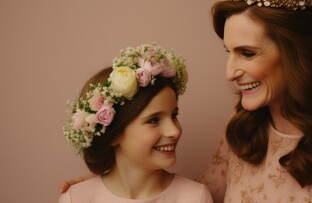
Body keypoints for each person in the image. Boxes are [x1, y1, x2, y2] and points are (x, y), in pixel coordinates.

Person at [61, 0, 312, 203]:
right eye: (229, 52)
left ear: (300, 54)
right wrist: (106, 189)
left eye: (247, 53)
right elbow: (191, 196)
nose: (230, 72)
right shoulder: (241, 131)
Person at [59, 43, 213, 203]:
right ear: (113, 134)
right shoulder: (76, 199)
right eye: (154, 120)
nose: (174, 131)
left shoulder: (195, 197)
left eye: (174, 115)